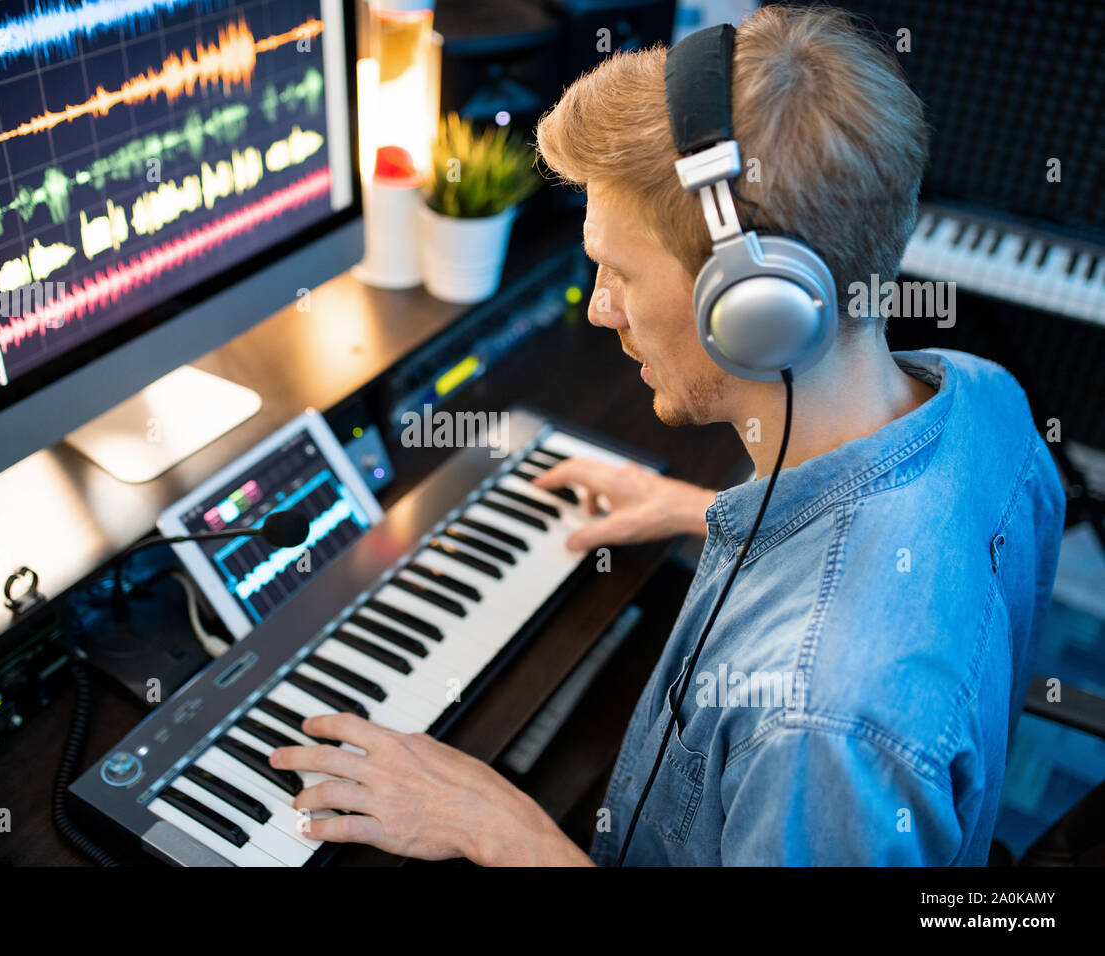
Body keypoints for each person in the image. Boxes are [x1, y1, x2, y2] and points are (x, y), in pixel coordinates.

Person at [269, 4, 1066, 865]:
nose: (600, 304)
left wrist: (511, 833)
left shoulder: (816, 730)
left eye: (619, 270)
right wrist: (694, 507)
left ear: (757, 312)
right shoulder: (984, 396)